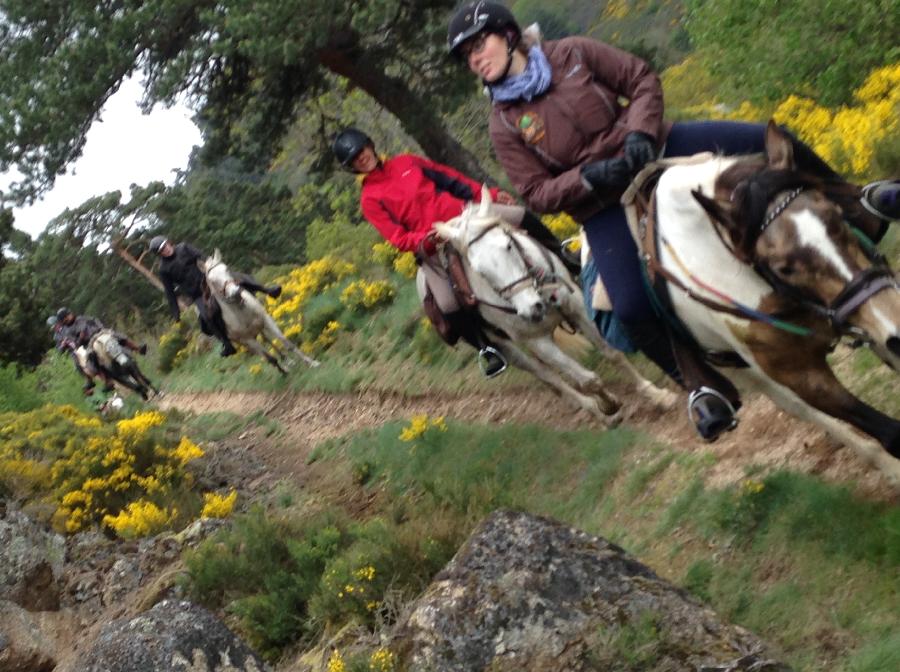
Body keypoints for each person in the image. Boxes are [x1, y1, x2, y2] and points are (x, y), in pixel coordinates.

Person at [446, 1, 900, 439]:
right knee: (629, 306)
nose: (475, 59)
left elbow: (641, 78)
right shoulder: (503, 124)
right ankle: (701, 385)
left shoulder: (573, 52)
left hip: (657, 145)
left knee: (772, 138)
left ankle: (856, 203)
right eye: (467, 55)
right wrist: (589, 176)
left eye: (478, 45)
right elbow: (537, 192)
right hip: (603, 202)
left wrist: (641, 131)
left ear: (508, 35)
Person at [332, 126, 577, 377]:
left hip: (465, 218)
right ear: (352, 167)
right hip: (435, 244)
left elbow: (451, 180)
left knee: (521, 216)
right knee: (449, 305)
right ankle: (488, 349)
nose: (362, 157)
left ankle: (564, 257)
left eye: (361, 150)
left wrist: (489, 195)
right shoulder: (369, 199)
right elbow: (397, 237)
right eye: (354, 159)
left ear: (370, 145)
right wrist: (426, 238)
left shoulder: (407, 162)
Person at [148, 235, 282, 357]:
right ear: (159, 254)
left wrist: (212, 268)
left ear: (169, 243)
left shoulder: (184, 247)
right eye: (161, 250)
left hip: (209, 281)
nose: (166, 250)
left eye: (165, 246)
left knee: (238, 277)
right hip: (198, 294)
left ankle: (268, 291)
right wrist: (175, 313)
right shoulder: (163, 270)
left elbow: (203, 256)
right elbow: (169, 292)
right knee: (207, 316)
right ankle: (227, 344)